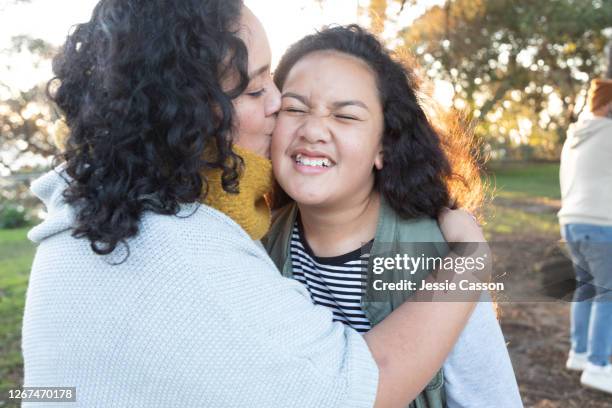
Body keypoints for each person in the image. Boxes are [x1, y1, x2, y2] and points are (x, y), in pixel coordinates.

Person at [23, 1, 479, 407]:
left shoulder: (90, 219)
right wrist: (470, 263)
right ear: (187, 112)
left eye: (345, 114)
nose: (279, 105)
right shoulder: (186, 252)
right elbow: (361, 388)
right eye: (257, 89)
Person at [264, 25, 522, 407]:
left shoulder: (439, 258)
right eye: (295, 108)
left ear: (383, 147)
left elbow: (491, 399)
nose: (314, 129)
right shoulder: (256, 247)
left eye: (346, 116)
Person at [559, 78, 612, 394]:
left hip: (572, 221)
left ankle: (578, 354)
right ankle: (597, 365)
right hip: (600, 223)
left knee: (587, 289)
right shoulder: (608, 132)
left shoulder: (574, 137)